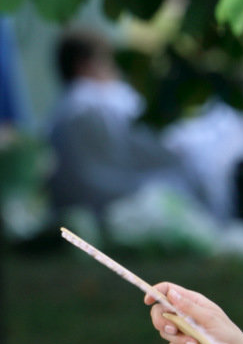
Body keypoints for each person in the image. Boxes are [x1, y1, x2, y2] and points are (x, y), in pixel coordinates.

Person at [46, 28, 203, 221]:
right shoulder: (103, 99)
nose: (116, 70)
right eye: (108, 61)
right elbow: (162, 145)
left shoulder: (61, 110)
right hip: (123, 206)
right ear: (84, 65)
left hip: (78, 213)